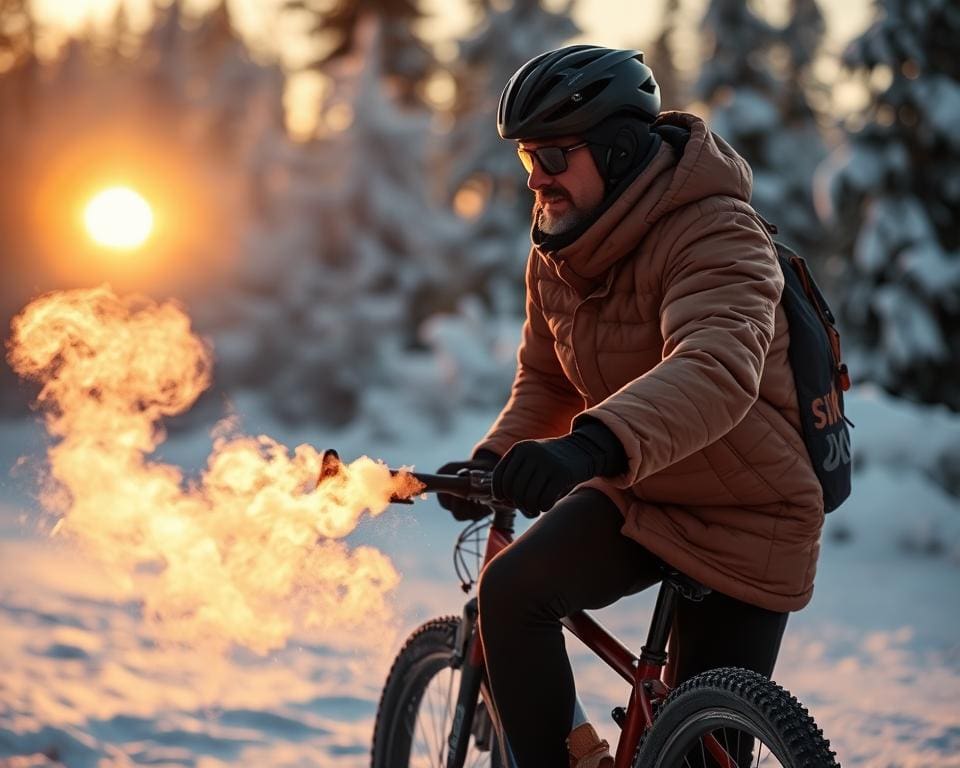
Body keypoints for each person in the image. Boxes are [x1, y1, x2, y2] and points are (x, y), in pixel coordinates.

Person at [437, 45, 824, 768]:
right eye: (528, 160)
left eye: (554, 154)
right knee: (513, 590)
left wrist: (590, 447)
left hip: (748, 512)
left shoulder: (715, 232)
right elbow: (548, 381)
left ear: (617, 151)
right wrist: (496, 457)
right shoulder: (559, 248)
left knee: (700, 752)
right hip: (642, 488)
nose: (538, 179)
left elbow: (715, 368)